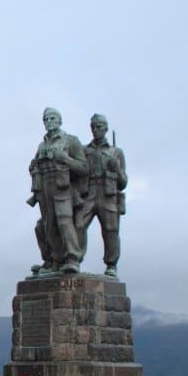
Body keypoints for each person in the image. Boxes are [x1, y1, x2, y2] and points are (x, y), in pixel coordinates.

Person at [28, 107, 88, 275]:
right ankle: (55, 260)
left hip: (63, 186)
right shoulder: (42, 145)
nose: (48, 122)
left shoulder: (71, 141)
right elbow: (35, 165)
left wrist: (66, 160)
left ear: (60, 120)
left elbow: (84, 168)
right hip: (44, 187)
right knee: (48, 225)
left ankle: (72, 258)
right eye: (46, 119)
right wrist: (33, 168)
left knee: (64, 221)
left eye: (52, 118)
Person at [77, 114, 127, 277]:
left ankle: (111, 265)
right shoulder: (84, 151)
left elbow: (124, 182)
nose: (96, 129)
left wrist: (117, 169)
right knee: (78, 225)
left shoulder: (116, 152)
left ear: (105, 128)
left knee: (111, 230)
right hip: (89, 192)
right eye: (93, 126)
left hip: (108, 194)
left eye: (99, 126)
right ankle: (75, 259)